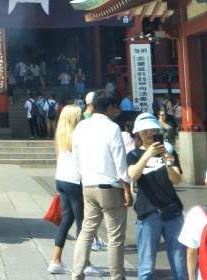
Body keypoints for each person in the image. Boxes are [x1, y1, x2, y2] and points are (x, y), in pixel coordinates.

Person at [71, 90, 132, 280]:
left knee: (87, 231)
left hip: (88, 184)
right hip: (109, 186)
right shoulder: (112, 128)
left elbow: (76, 156)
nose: (116, 111)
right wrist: (127, 187)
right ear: (109, 107)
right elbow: (120, 161)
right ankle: (116, 276)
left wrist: (82, 178)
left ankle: (77, 273)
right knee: (114, 236)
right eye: (115, 107)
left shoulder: (81, 126)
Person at [126, 112, 186, 280]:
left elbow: (177, 179)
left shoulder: (168, 151)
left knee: (179, 260)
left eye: (152, 129)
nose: (149, 133)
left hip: (172, 212)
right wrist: (147, 155)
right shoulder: (133, 155)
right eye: (144, 131)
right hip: (148, 212)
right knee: (146, 264)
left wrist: (167, 160)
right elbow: (133, 174)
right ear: (138, 133)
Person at [48, 104, 102, 276]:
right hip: (75, 181)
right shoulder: (79, 135)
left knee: (67, 219)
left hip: (61, 179)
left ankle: (56, 260)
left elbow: (58, 158)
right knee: (83, 222)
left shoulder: (60, 135)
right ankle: (84, 263)